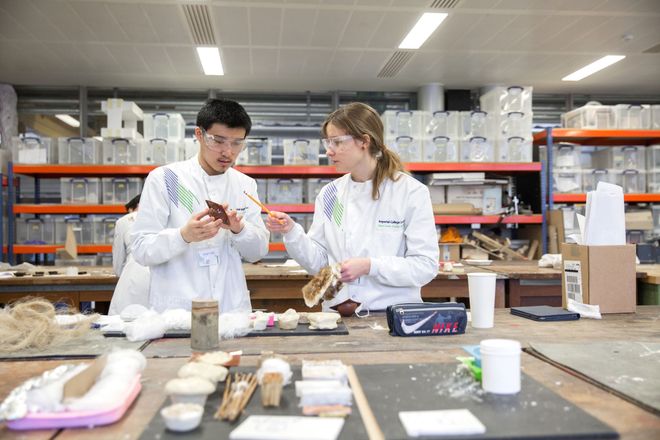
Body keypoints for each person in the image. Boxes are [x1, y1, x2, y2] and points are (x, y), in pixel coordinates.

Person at [265, 102, 439, 316]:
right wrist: (291, 232)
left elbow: (425, 266)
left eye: (337, 142)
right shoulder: (330, 194)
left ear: (364, 141)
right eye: (328, 142)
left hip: (392, 315)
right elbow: (320, 264)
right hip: (337, 315)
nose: (329, 151)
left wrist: (370, 266)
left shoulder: (410, 192)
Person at [131, 99, 269, 312]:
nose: (228, 152)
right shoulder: (166, 179)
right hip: (178, 308)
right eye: (218, 141)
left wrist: (239, 229)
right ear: (199, 135)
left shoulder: (244, 185)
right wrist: (183, 235)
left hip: (230, 307)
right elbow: (141, 249)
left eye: (236, 143)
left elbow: (258, 251)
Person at [108, 194, 150, 315]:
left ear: (134, 207)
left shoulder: (124, 221)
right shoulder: (165, 218)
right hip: (164, 278)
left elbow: (118, 262)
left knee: (125, 322)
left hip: (134, 276)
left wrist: (122, 274)